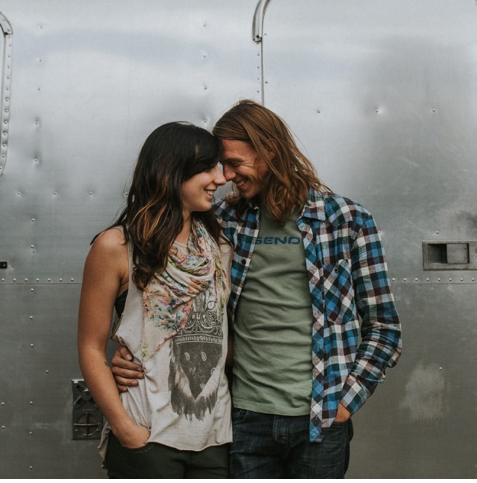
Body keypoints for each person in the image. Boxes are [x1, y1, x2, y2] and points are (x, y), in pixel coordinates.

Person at [113, 100, 402, 478]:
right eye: (221, 166)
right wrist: (132, 350)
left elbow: (384, 327)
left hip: (319, 419)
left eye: (234, 162)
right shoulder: (223, 223)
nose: (226, 176)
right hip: (244, 418)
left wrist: (346, 401)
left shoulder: (346, 221)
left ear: (269, 149)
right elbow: (168, 290)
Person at [78, 122, 234, 478]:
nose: (220, 178)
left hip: (215, 438)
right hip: (148, 437)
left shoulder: (219, 246)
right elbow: (89, 347)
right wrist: (125, 428)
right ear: (172, 171)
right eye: (208, 168)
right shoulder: (117, 247)